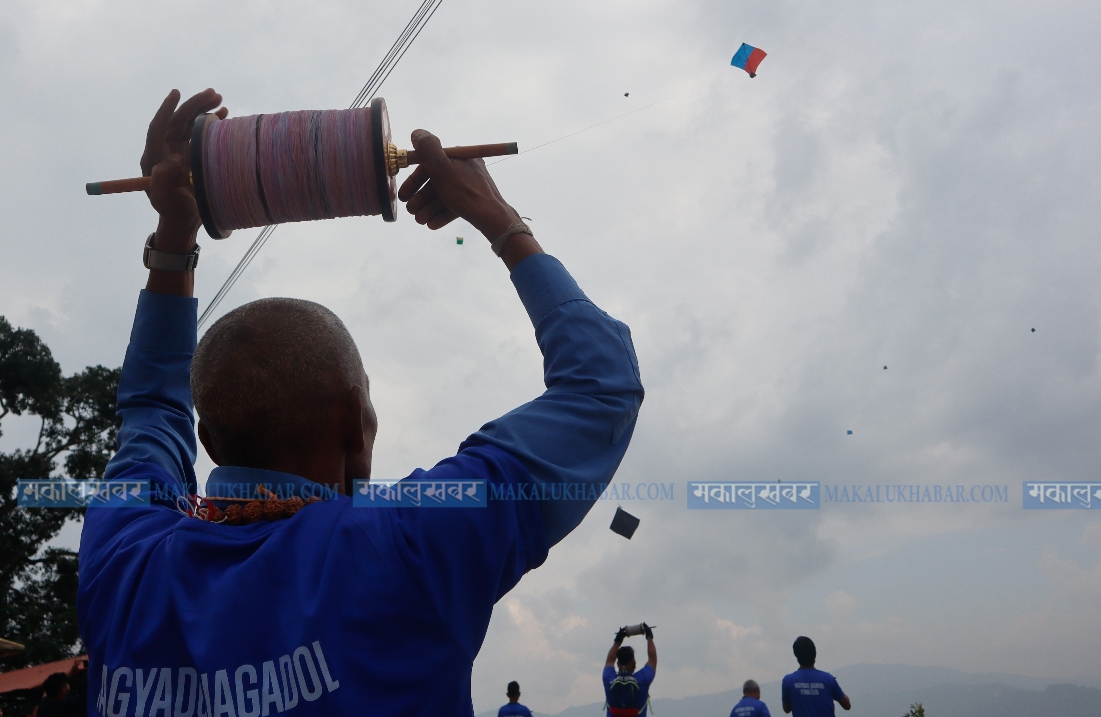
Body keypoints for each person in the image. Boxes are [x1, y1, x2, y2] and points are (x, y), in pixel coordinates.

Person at [77, 89, 645, 715]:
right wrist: (497, 215)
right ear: (355, 422)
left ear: (207, 442)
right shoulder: (411, 549)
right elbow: (603, 389)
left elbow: (152, 409)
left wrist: (175, 232)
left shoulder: (123, 564)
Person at [781, 637, 849, 717]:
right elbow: (847, 705)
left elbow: (786, 709)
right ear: (815, 654)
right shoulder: (828, 679)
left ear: (796, 655)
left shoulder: (788, 681)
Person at [603, 625, 656, 717]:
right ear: (634, 664)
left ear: (618, 663)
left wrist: (617, 641)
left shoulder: (609, 679)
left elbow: (610, 660)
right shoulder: (643, 680)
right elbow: (652, 659)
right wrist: (649, 638)